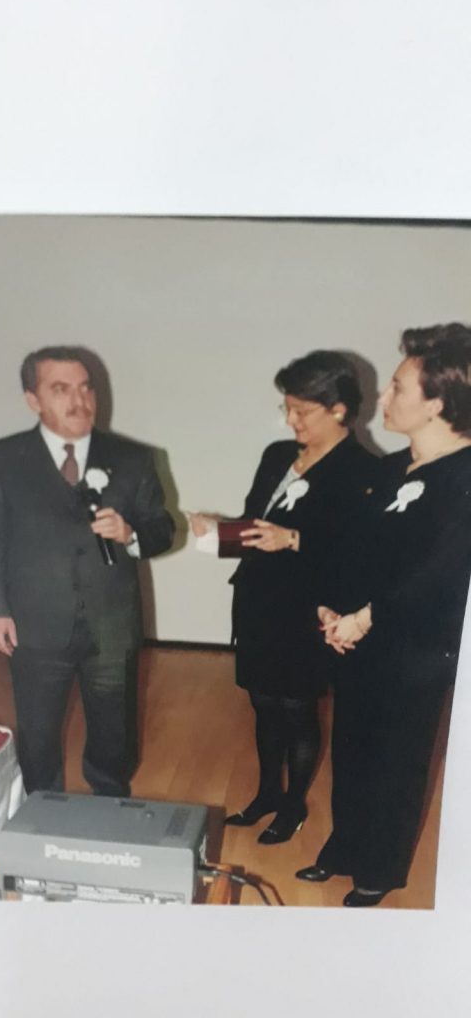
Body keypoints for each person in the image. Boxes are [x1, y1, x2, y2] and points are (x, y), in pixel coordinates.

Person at [296, 323, 471, 906]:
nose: (384, 397)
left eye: (397, 387)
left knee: (398, 760)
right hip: (358, 638)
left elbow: (442, 575)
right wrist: (331, 607)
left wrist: (367, 617)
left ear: (437, 403)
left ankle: (379, 869)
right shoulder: (392, 468)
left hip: (414, 646)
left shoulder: (464, 477)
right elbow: (353, 550)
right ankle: (345, 847)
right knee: (352, 748)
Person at [189, 351, 376, 843]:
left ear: (338, 409)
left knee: (297, 709)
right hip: (258, 599)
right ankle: (267, 794)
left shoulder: (361, 471)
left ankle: (294, 806)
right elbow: (256, 522)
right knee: (263, 703)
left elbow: (356, 553)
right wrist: (217, 530)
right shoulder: (278, 455)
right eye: (286, 408)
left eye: (302, 411)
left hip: (307, 607)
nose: (291, 420)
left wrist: (293, 539)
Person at [0, 346, 174, 797]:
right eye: (61, 389)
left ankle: (110, 807)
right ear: (33, 399)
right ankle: (42, 811)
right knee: (39, 733)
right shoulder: (1, 459)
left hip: (111, 621)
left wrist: (131, 533)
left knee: (114, 733)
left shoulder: (133, 458)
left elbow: (163, 529)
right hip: (34, 622)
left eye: (86, 388)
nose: (79, 401)